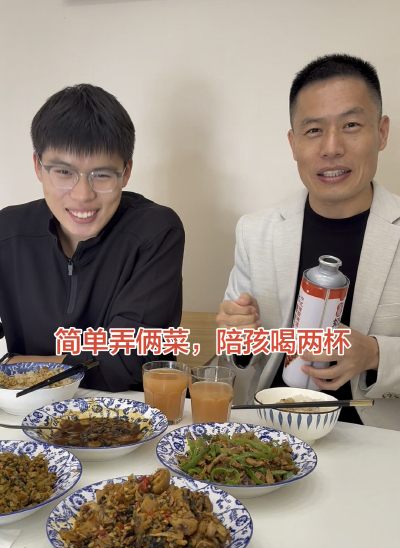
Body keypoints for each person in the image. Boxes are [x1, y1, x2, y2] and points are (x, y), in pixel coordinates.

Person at [217, 54, 400, 424]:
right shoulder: (256, 232)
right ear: (293, 142)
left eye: (351, 125)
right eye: (314, 130)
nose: (331, 147)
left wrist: (374, 354)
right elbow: (233, 362)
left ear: (382, 132)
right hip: (272, 430)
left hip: (376, 438)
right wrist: (236, 340)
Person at [0, 84, 185, 391]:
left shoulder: (156, 232)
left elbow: (127, 363)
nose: (82, 195)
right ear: (38, 167)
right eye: (63, 172)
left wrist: (21, 365)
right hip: (25, 409)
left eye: (101, 175)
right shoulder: (7, 231)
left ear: (126, 172)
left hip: (130, 412)